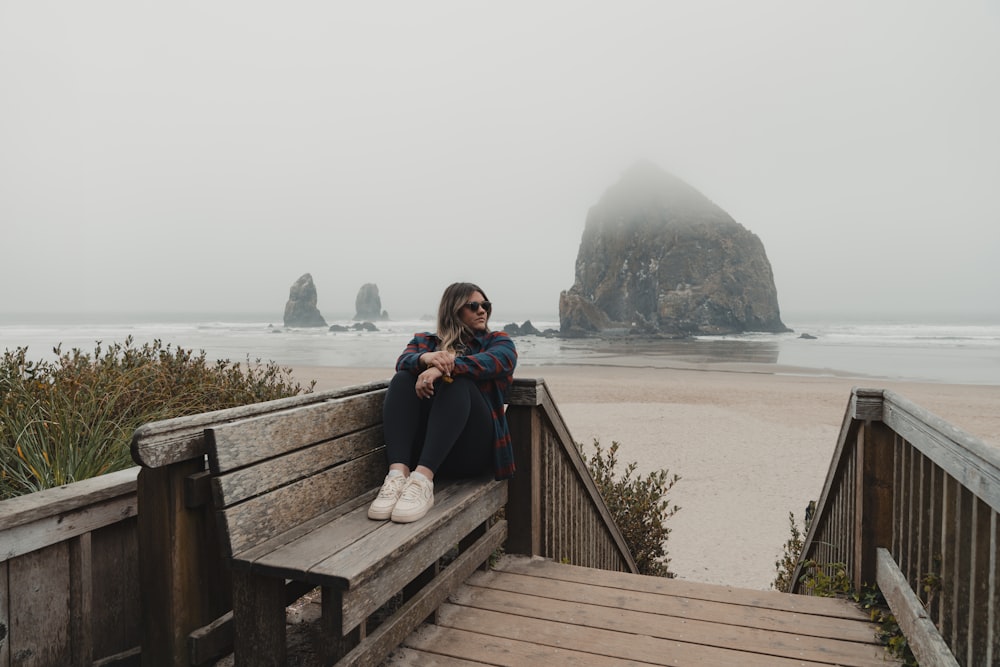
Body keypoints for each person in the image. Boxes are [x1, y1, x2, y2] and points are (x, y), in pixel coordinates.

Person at [368, 282, 518, 523]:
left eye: (485, 305)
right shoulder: (424, 342)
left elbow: (497, 361)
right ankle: (397, 475)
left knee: (457, 382)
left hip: (471, 453)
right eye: (473, 306)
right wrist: (425, 358)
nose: (482, 311)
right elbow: (404, 361)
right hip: (428, 452)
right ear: (454, 309)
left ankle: (423, 482)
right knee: (403, 379)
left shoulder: (498, 342)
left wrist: (443, 369)